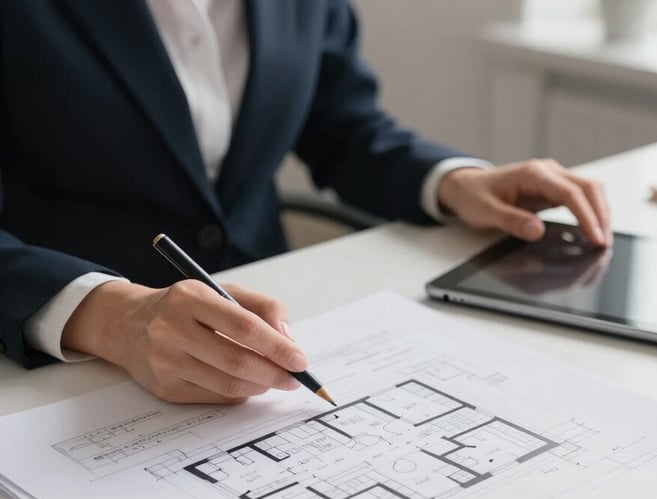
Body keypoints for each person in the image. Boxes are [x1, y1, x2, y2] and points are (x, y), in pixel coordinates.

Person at [0, 1, 611, 404]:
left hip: (272, 334)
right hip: (54, 373)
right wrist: (111, 315)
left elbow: (340, 122)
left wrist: (452, 179)